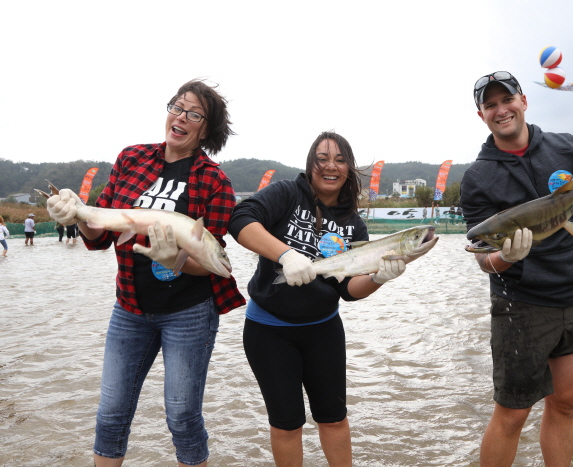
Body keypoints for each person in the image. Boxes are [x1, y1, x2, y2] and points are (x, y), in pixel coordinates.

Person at [46, 79, 245, 467]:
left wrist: (175, 261)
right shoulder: (132, 157)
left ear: (206, 129)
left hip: (188, 313)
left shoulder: (215, 181)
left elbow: (212, 264)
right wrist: (76, 214)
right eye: (177, 106)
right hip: (130, 309)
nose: (181, 117)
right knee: (111, 414)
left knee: (182, 416)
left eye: (194, 114)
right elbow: (98, 234)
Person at [460, 71, 573, 466]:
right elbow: (483, 256)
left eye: (507, 100)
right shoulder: (477, 178)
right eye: (491, 105)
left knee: (567, 404)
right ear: (480, 114)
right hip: (523, 306)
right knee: (512, 413)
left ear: (523, 100)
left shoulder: (567, 146)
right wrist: (507, 257)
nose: (501, 110)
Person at [228, 131, 408, 467]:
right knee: (287, 423)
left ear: (349, 169)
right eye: (322, 158)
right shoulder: (286, 193)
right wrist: (286, 255)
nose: (331, 166)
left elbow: (349, 291)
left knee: (334, 418)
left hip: (323, 331)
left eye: (340, 160)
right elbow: (240, 219)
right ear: (310, 163)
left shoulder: (353, 224)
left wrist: (378, 278)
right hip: (268, 330)